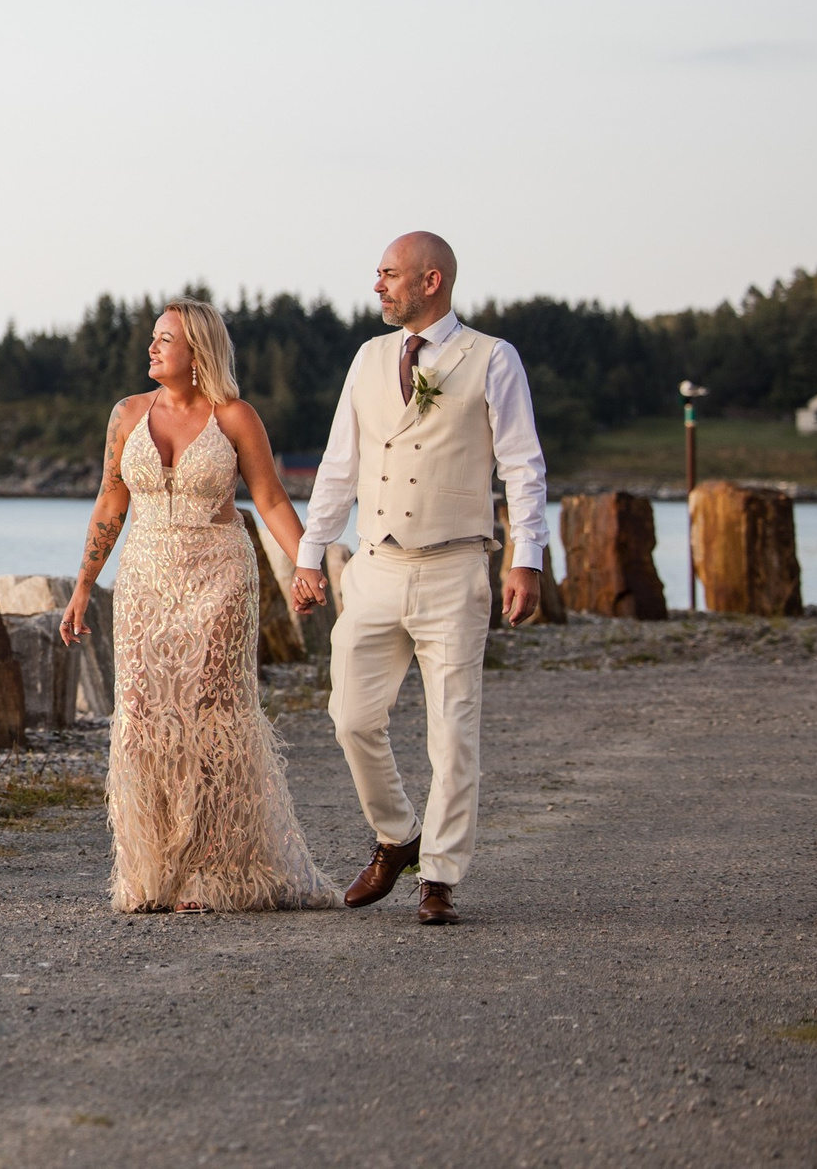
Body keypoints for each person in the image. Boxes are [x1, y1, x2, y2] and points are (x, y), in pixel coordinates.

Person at [288, 232, 548, 927]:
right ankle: (399, 834)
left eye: (390, 275)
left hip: (457, 565)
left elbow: (523, 464)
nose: (378, 286)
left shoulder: (493, 358)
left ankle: (441, 875)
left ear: (431, 281)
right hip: (374, 566)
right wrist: (311, 554)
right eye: (378, 274)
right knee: (351, 717)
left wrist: (528, 557)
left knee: (453, 728)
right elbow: (338, 465)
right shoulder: (370, 357)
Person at [62, 298, 340, 913]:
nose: (152, 348)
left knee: (211, 718)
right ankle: (152, 872)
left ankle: (213, 873)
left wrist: (304, 564)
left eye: (166, 340)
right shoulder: (127, 415)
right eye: (154, 338)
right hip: (143, 579)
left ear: (198, 352)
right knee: (142, 716)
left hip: (219, 575)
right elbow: (110, 502)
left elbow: (269, 499)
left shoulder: (235, 417)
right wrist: (83, 585)